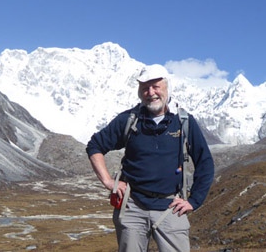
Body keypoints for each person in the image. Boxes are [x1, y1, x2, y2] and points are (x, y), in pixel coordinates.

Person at [86, 64, 215, 251]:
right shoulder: (129, 120)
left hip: (171, 207)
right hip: (132, 207)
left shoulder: (184, 122)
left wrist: (194, 201)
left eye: (156, 86)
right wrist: (107, 181)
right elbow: (95, 146)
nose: (151, 92)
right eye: (145, 88)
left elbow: (205, 162)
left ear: (166, 87)